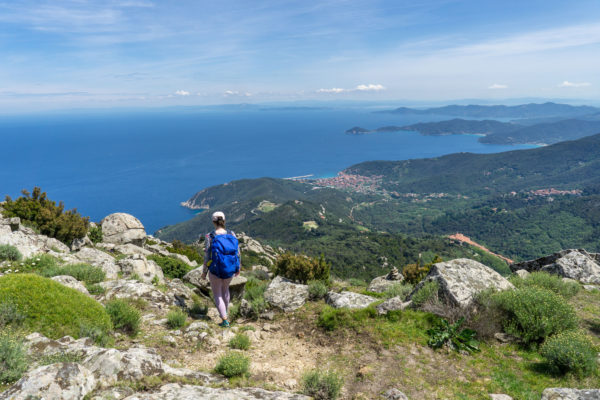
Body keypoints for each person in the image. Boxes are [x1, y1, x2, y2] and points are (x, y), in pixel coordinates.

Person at [200, 211, 241, 327]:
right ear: (224, 221)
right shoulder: (231, 234)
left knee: (217, 294)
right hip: (230, 269)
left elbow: (207, 256)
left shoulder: (210, 236)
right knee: (225, 290)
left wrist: (204, 272)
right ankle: (225, 312)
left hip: (215, 270)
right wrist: (238, 267)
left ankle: (224, 320)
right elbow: (238, 253)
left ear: (213, 222)